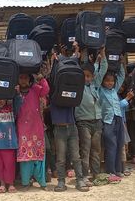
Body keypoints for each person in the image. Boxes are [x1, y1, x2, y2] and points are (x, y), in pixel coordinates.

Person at [49, 45, 89, 192]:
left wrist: (77, 51)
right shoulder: (54, 93)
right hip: (59, 129)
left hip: (72, 127)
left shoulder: (73, 93)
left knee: (76, 156)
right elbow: (53, 77)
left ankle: (80, 181)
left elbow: (75, 70)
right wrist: (53, 62)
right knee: (60, 158)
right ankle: (61, 182)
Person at [74, 47, 107, 186]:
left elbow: (103, 68)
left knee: (96, 149)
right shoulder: (77, 87)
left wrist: (103, 53)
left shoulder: (95, 85)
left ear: (92, 77)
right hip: (83, 122)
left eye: (88, 76)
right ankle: (84, 175)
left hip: (97, 121)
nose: (86, 78)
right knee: (85, 149)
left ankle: (96, 174)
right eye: (84, 76)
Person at [16, 73, 49, 191]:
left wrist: (41, 78)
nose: (23, 80)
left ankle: (42, 182)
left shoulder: (35, 89)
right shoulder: (15, 92)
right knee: (25, 157)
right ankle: (25, 182)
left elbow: (45, 90)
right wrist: (16, 93)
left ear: (30, 80)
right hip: (22, 129)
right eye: (21, 77)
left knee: (39, 157)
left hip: (36, 128)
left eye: (25, 77)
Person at [0, 93, 21, 193]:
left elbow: (19, 102)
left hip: (9, 142)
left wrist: (17, 93)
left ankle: (10, 184)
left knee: (9, 164)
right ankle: (2, 184)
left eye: (2, 99)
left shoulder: (11, 108)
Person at [100, 59, 126, 183]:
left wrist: (120, 63)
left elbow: (121, 75)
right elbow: (97, 76)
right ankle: (110, 171)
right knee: (111, 146)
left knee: (120, 144)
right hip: (107, 121)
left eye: (111, 81)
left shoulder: (114, 90)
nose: (110, 83)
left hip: (119, 119)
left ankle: (118, 169)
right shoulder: (99, 91)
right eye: (107, 81)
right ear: (103, 81)